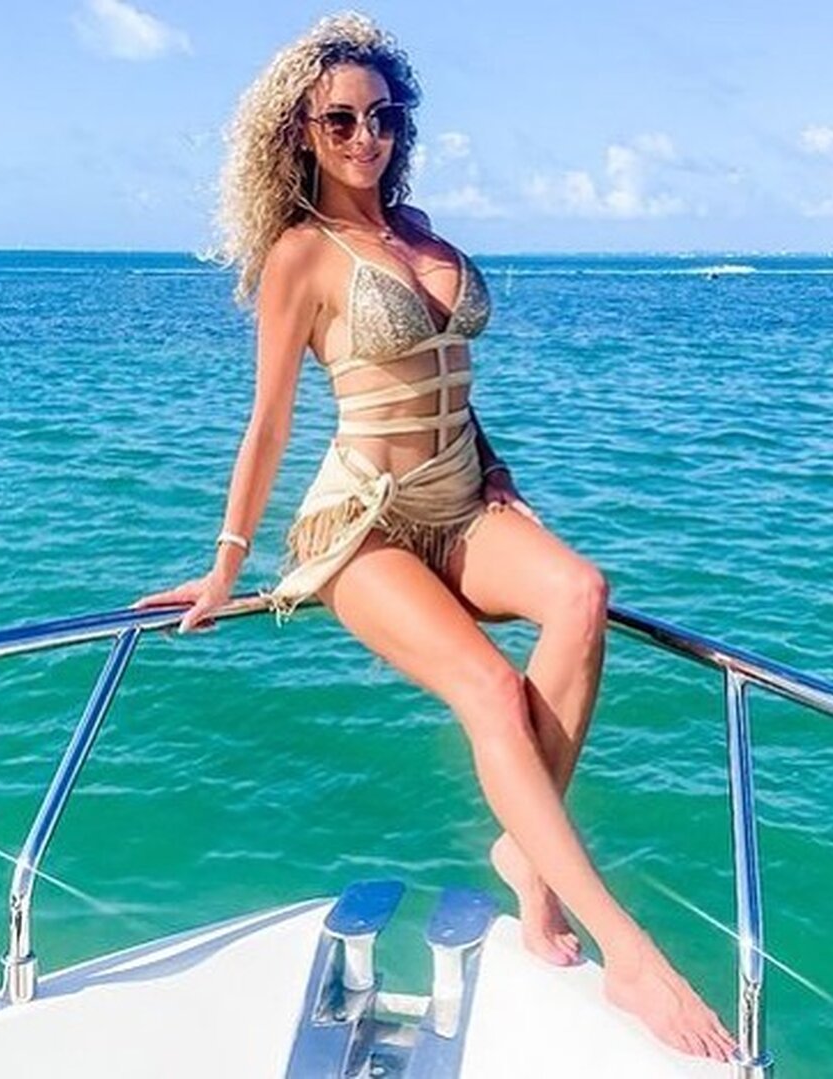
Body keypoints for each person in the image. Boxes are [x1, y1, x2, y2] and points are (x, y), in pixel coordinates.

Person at [132, 11, 734, 1063]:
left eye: (382, 115)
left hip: (461, 504)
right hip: (362, 524)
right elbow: (269, 421)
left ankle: (525, 852)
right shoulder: (300, 255)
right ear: (302, 132)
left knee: (581, 593)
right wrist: (226, 563)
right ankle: (623, 946)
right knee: (492, 690)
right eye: (340, 120)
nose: (365, 135)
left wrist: (495, 466)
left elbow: (450, 375)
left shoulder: (420, 230)